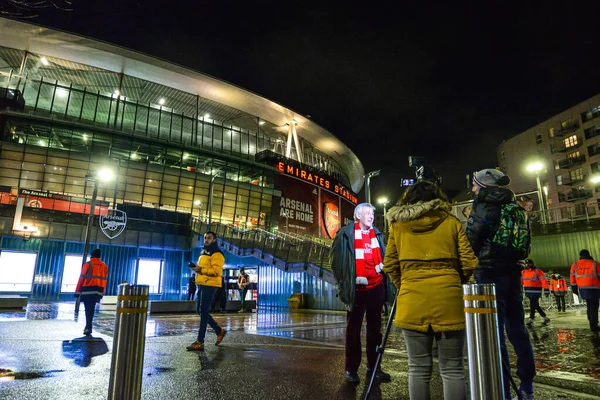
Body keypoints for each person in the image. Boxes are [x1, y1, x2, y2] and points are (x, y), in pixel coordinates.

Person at [383, 181, 478, 400]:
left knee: (417, 368)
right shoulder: (451, 222)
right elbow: (470, 262)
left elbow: (390, 264)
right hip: (449, 299)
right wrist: (455, 282)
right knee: (452, 369)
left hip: (412, 298)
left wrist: (405, 283)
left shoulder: (397, 226)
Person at [466, 168, 536, 400]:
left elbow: (471, 241)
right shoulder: (515, 206)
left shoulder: (484, 205)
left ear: (483, 186)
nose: (473, 189)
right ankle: (527, 386)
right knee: (517, 329)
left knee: (492, 335)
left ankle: (502, 391)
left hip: (488, 274)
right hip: (513, 274)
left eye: (475, 185)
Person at [330, 202, 392, 384]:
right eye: (367, 213)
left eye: (372, 213)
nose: (371, 216)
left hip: (377, 286)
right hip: (357, 289)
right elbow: (336, 261)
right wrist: (345, 281)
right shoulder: (346, 234)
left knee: (375, 331)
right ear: (358, 216)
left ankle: (374, 367)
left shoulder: (377, 234)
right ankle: (351, 369)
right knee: (353, 331)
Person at [186, 231, 228, 351]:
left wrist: (200, 269)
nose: (206, 240)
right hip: (202, 283)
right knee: (200, 311)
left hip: (210, 284)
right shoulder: (203, 252)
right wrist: (197, 269)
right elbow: (204, 268)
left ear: (214, 240)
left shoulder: (217, 253)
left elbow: (216, 272)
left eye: (209, 238)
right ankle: (219, 331)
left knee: (203, 311)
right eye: (205, 238)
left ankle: (200, 341)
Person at [74, 248, 109, 336]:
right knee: (91, 308)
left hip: (87, 289)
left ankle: (88, 326)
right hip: (98, 290)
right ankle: (89, 325)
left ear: (92, 256)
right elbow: (105, 280)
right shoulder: (104, 266)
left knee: (88, 308)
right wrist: (102, 292)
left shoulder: (88, 264)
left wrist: (77, 291)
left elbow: (81, 278)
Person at [570, 249, 600, 332]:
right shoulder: (595, 263)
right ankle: (593, 325)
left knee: (589, 305)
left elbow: (572, 279)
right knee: (594, 306)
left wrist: (574, 289)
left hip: (583, 289)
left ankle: (592, 321)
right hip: (595, 288)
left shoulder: (575, 265)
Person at [522, 259, 550, 326]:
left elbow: (544, 281)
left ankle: (531, 319)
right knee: (535, 305)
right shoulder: (523, 272)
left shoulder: (538, 271)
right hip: (528, 291)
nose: (527, 265)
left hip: (536, 291)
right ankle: (545, 318)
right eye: (526, 264)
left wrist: (546, 290)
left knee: (533, 305)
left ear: (532, 264)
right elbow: (521, 281)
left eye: (529, 263)